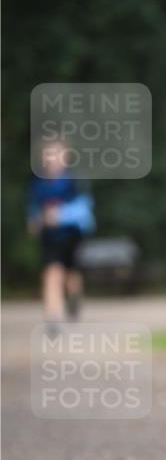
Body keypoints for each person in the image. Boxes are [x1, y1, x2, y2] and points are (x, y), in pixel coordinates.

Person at [27, 138, 96, 334]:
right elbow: (33, 207)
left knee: (71, 277)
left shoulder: (75, 180)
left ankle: (73, 300)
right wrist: (34, 219)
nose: (52, 159)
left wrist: (60, 215)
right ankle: (53, 316)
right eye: (48, 154)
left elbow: (85, 209)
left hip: (72, 236)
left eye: (56, 154)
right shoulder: (37, 182)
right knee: (52, 273)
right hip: (50, 237)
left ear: (65, 157)